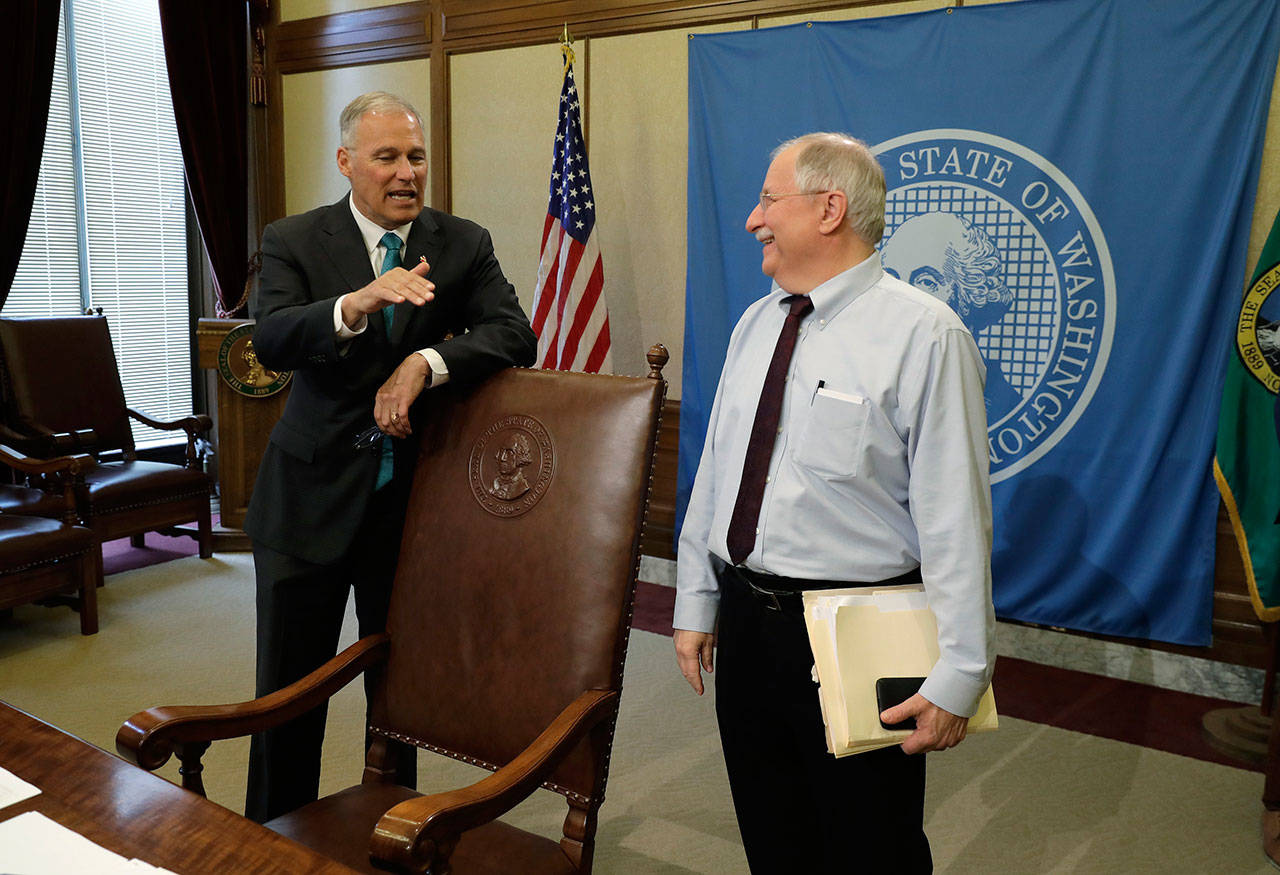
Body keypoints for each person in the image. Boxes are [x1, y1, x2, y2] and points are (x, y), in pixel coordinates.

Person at [673, 132, 995, 872]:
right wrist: (695, 601)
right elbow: (719, 476)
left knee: (870, 844)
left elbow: (956, 521)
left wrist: (960, 671)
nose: (754, 219)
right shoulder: (758, 322)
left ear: (829, 208)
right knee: (771, 834)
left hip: (858, 628)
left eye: (766, 199)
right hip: (748, 623)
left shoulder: (925, 335)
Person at [242, 91, 536, 823]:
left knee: (397, 697)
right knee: (287, 694)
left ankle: (389, 832)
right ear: (347, 163)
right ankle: (272, 838)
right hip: (305, 503)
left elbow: (513, 332)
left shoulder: (461, 241)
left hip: (408, 511)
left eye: (416, 156)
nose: (406, 172)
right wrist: (355, 304)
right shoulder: (294, 239)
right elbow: (270, 338)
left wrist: (426, 362)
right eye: (387, 157)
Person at [881, 210, 1021, 420]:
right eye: (893, 279)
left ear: (970, 294)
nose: (903, 297)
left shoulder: (1000, 407)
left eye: (926, 281)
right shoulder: (869, 379)